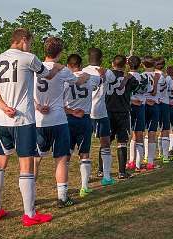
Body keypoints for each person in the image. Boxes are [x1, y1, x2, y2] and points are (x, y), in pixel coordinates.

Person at [0, 28, 64, 226]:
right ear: (23, 40)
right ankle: (29, 215)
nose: (30, 45)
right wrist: (57, 67)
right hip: (23, 120)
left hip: (2, 120)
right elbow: (46, 74)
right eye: (30, 42)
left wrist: (4, 107)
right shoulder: (28, 58)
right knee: (26, 165)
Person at [33, 37, 90, 207]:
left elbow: (28, 92)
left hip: (39, 121)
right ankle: (62, 197)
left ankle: (31, 196)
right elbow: (78, 81)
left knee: (36, 159)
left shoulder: (35, 68)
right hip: (58, 120)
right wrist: (86, 75)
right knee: (61, 159)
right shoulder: (62, 70)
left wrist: (38, 106)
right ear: (60, 52)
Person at [64, 54, 105, 196]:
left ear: (69, 65)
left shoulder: (65, 80)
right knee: (84, 154)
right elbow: (100, 80)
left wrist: (70, 110)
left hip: (68, 119)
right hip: (85, 119)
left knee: (66, 154)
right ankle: (84, 186)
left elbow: (58, 102)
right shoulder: (90, 77)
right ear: (80, 64)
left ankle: (64, 186)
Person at [81, 48, 119, 179]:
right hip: (100, 112)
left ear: (88, 58)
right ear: (101, 59)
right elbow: (113, 79)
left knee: (85, 146)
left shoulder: (83, 71)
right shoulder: (106, 71)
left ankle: (86, 178)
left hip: (84, 112)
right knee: (105, 143)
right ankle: (106, 176)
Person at [106, 55, 144, 177]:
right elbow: (136, 85)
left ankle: (101, 170)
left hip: (108, 111)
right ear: (125, 65)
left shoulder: (107, 75)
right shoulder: (129, 78)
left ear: (112, 63)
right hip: (122, 112)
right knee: (122, 142)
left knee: (106, 142)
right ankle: (122, 172)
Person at [127, 56, 149, 171]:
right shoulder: (143, 77)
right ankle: (138, 164)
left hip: (128, 106)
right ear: (140, 65)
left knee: (131, 135)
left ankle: (131, 161)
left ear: (127, 64)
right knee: (139, 133)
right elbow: (148, 91)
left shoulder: (126, 77)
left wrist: (131, 100)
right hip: (140, 106)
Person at [155, 57, 173, 163]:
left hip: (153, 103)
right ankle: (165, 156)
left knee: (150, 130)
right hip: (164, 104)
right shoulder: (167, 77)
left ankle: (149, 157)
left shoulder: (150, 76)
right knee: (165, 129)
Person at [143, 56, 161, 170]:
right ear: (154, 65)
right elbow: (155, 92)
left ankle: (134, 161)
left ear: (142, 65)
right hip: (154, 105)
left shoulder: (140, 76)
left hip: (142, 105)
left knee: (137, 133)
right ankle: (150, 162)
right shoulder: (159, 76)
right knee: (152, 133)